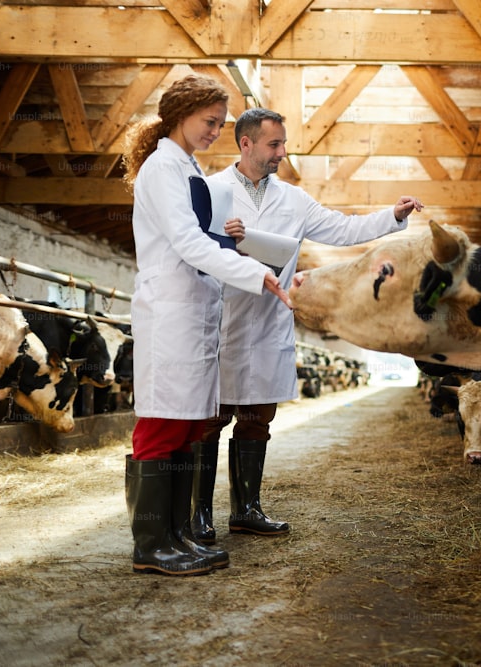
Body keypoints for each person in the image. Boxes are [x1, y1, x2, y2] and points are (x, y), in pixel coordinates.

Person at [190, 108, 423, 545]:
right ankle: (199, 514)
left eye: (282, 143)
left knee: (258, 419)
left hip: (269, 324)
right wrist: (224, 240)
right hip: (221, 322)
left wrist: (391, 215)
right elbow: (188, 244)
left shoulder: (294, 200)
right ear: (246, 144)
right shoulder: (210, 190)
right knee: (209, 420)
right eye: (274, 145)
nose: (282, 153)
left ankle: (246, 510)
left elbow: (343, 227)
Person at [121, 77, 293, 577]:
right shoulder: (161, 167)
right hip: (170, 312)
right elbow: (186, 243)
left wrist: (239, 246)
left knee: (189, 426)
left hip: (196, 313)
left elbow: (201, 239)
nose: (215, 131)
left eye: (220, 123)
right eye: (210, 121)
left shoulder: (186, 166)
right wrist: (256, 273)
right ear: (179, 113)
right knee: (161, 424)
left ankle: (176, 535)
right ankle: (150, 545)